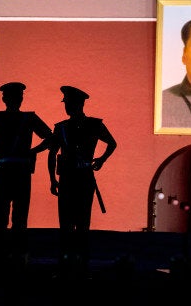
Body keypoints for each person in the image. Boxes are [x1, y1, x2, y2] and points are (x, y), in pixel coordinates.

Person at [0, 81, 53, 272]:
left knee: (0, 214)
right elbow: (50, 137)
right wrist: (33, 151)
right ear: (21, 98)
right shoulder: (29, 118)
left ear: (4, 99)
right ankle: (18, 256)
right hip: (22, 170)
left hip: (3, 168)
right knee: (20, 215)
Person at [47, 85, 117, 278]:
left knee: (74, 225)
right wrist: (101, 160)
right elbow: (112, 144)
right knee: (75, 225)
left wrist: (53, 179)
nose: (66, 107)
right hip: (81, 177)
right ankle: (77, 267)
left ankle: (71, 267)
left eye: (68, 103)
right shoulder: (94, 125)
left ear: (77, 104)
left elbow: (52, 154)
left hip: (72, 178)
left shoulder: (61, 128)